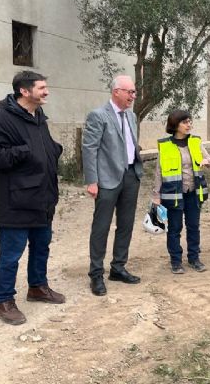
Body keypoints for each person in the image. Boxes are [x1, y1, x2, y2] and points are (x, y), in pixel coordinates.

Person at [0, 71, 65, 325]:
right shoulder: (1, 118)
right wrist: (25, 152)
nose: (46, 91)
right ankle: (4, 301)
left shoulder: (38, 116)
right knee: (11, 254)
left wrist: (52, 150)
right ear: (25, 92)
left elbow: (44, 146)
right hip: (15, 200)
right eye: (41, 88)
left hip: (43, 196)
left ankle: (37, 287)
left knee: (42, 246)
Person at [82, 75, 144, 296]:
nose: (133, 96)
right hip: (107, 179)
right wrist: (92, 180)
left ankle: (118, 268)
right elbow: (89, 149)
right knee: (101, 227)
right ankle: (96, 274)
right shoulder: (98, 116)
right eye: (130, 92)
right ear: (116, 91)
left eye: (134, 92)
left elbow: (130, 143)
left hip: (130, 176)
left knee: (126, 224)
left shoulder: (132, 116)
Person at [153, 110, 210, 273]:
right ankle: (176, 261)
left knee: (193, 226)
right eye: (185, 122)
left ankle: (194, 258)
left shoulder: (195, 142)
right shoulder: (165, 145)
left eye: (190, 121)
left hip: (194, 192)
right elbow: (159, 171)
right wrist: (156, 195)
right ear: (175, 124)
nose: (189, 125)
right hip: (173, 193)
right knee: (175, 228)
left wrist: (206, 161)